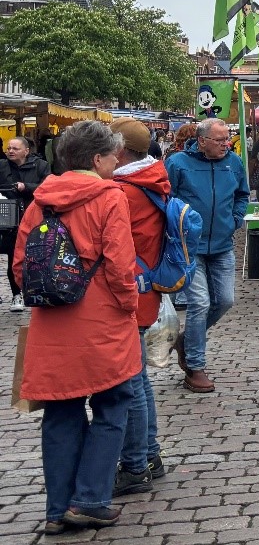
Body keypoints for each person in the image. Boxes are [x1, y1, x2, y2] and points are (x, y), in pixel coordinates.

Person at [11, 121, 142, 533]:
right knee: (113, 404)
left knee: (61, 412)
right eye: (112, 156)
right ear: (96, 159)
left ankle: (57, 509)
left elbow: (19, 267)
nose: (116, 162)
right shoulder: (108, 198)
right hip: (102, 320)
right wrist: (129, 306)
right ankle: (89, 500)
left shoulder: (40, 201)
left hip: (52, 326)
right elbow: (121, 266)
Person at [109, 119, 172, 497]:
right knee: (138, 378)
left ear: (118, 151)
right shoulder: (150, 179)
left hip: (128, 293)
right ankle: (149, 454)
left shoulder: (123, 190)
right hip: (145, 291)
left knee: (130, 382)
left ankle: (136, 465)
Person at [166, 118, 251, 394]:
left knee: (225, 300)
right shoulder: (178, 164)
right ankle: (195, 366)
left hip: (223, 244)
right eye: (219, 139)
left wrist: (236, 218)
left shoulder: (234, 163)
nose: (226, 143)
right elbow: (166, 200)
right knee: (200, 303)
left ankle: (186, 340)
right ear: (201, 141)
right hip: (190, 247)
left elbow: (242, 194)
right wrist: (176, 229)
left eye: (227, 138)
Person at [2, 135, 51, 311]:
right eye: (9, 148)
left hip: (33, 218)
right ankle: (16, 294)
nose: (10, 151)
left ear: (26, 151)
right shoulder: (2, 166)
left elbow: (48, 187)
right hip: (7, 219)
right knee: (11, 255)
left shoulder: (41, 166)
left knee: (30, 257)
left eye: (15, 148)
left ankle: (34, 291)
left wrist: (26, 187)